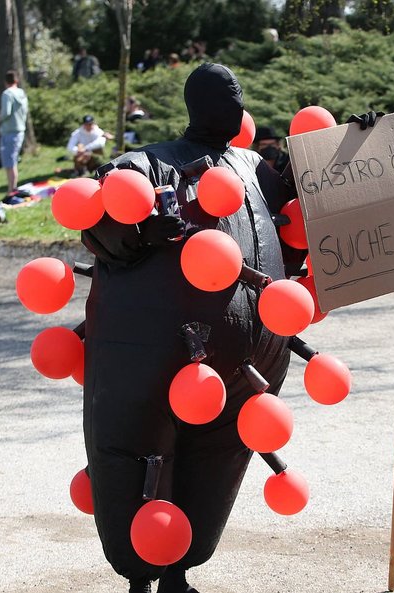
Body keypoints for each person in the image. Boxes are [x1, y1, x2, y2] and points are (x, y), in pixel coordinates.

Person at [80, 62, 297, 593]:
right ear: (195, 106)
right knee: (138, 462)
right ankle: (141, 577)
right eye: (221, 98)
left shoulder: (253, 169)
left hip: (240, 369)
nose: (233, 107)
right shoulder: (144, 165)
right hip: (148, 363)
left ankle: (176, 574)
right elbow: (101, 221)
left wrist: (348, 148)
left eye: (236, 97)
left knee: (211, 467)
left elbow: (296, 209)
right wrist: (140, 229)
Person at [0, 70, 28, 193]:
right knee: (12, 161)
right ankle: (12, 188)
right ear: (16, 80)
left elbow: (6, 112)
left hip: (9, 132)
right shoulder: (21, 93)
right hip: (20, 130)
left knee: (9, 163)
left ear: (5, 82)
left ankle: (11, 190)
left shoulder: (7, 94)